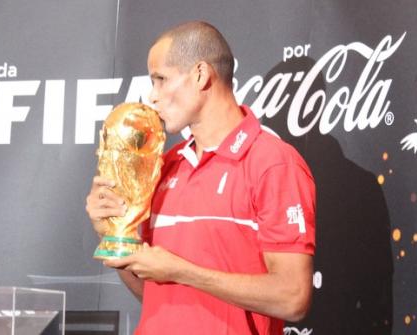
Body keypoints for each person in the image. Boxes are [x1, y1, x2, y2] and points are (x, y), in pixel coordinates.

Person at [85, 21, 316, 335]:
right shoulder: (165, 165)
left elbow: (292, 297)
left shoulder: (273, 162)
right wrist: (114, 237)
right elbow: (155, 295)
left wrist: (183, 271)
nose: (152, 97)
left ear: (201, 74)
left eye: (161, 79)